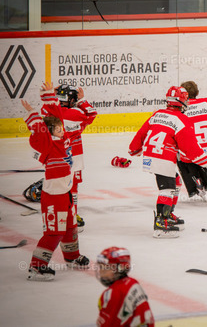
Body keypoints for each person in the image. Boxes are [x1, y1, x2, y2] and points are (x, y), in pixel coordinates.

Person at [22, 82, 89, 281]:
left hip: (65, 192)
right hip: (53, 196)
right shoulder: (47, 145)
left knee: (70, 227)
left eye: (61, 127)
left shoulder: (64, 137)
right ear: (49, 133)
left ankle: (72, 257)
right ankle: (37, 267)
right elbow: (39, 130)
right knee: (54, 232)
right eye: (58, 129)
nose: (62, 129)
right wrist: (32, 113)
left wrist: (49, 95)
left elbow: (56, 113)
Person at [128, 86, 207, 238]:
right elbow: (188, 145)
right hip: (163, 156)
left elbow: (142, 132)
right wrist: (203, 159)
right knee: (167, 189)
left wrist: (134, 148)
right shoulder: (181, 119)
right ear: (182, 102)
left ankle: (168, 214)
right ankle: (162, 221)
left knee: (176, 182)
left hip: (151, 154)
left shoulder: (158, 114)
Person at [41, 84, 97, 232]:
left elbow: (44, 109)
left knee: (57, 188)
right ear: (72, 100)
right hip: (75, 158)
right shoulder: (76, 113)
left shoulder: (50, 114)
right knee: (73, 188)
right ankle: (72, 216)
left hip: (57, 157)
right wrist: (82, 100)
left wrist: (51, 95)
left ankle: (57, 216)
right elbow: (92, 114)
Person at [96, 246, 154, 327]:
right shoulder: (133, 282)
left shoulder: (113, 293)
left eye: (106, 268)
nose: (101, 272)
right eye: (100, 267)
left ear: (119, 269)